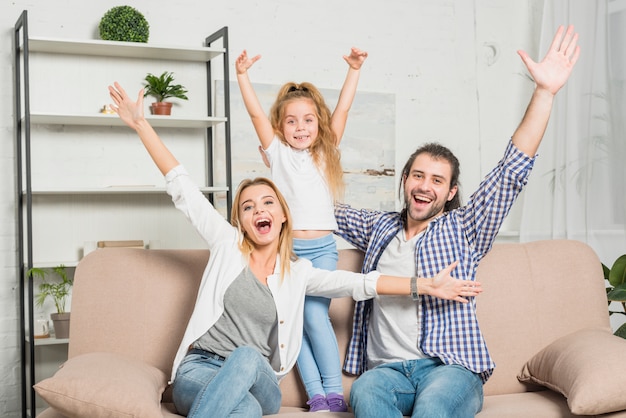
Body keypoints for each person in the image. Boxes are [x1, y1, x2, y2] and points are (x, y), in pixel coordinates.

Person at [107, 82, 481, 417]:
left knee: (248, 356)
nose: (259, 210)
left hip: (258, 376)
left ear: (284, 215)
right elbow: (182, 186)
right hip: (201, 370)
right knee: (246, 412)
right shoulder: (225, 245)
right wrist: (142, 124)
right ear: (239, 219)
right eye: (248, 206)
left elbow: (359, 283)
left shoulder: (298, 273)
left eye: (268, 202)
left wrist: (424, 285)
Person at [333, 25, 580, 418]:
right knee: (364, 392)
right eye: (417, 175)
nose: (424, 186)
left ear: (450, 193)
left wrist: (544, 93)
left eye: (437, 180)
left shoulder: (464, 227)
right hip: (386, 372)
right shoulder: (378, 228)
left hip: (449, 370)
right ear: (405, 180)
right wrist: (287, 162)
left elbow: (510, 172)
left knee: (433, 409)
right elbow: (322, 208)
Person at [235, 47, 368, 412]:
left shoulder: (324, 151)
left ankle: (335, 391)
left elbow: (342, 109)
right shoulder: (276, 152)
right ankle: (316, 395)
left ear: (318, 124)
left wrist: (354, 69)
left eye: (308, 120)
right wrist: (242, 75)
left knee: (312, 315)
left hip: (323, 249)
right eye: (292, 121)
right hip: (287, 252)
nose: (300, 128)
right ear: (280, 127)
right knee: (292, 323)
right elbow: (253, 112)